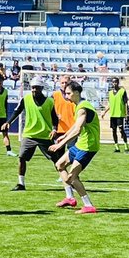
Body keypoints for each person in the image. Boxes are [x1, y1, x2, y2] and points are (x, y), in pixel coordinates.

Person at [49, 78, 100, 214]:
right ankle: (70, 198)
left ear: (77, 92)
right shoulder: (78, 106)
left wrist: (60, 144)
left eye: (69, 93)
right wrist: (64, 135)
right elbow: (75, 126)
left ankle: (88, 205)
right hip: (80, 144)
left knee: (72, 177)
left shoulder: (83, 108)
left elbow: (77, 130)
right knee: (59, 165)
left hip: (88, 147)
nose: (66, 96)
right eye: (65, 93)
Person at [4, 77, 59, 191]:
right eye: (33, 87)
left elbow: (55, 118)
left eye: (37, 88)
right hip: (29, 134)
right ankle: (21, 184)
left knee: (56, 160)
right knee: (21, 158)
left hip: (45, 135)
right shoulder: (26, 99)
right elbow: (17, 111)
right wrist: (8, 122)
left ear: (41, 88)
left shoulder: (49, 101)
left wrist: (54, 129)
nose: (34, 90)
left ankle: (68, 181)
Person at [102, 76, 129, 153]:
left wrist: (127, 114)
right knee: (113, 131)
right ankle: (117, 147)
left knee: (121, 130)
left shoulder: (122, 91)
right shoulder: (110, 93)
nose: (114, 83)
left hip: (120, 114)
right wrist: (104, 112)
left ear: (118, 82)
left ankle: (126, 147)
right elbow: (110, 104)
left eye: (116, 82)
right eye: (113, 82)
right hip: (113, 115)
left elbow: (126, 104)